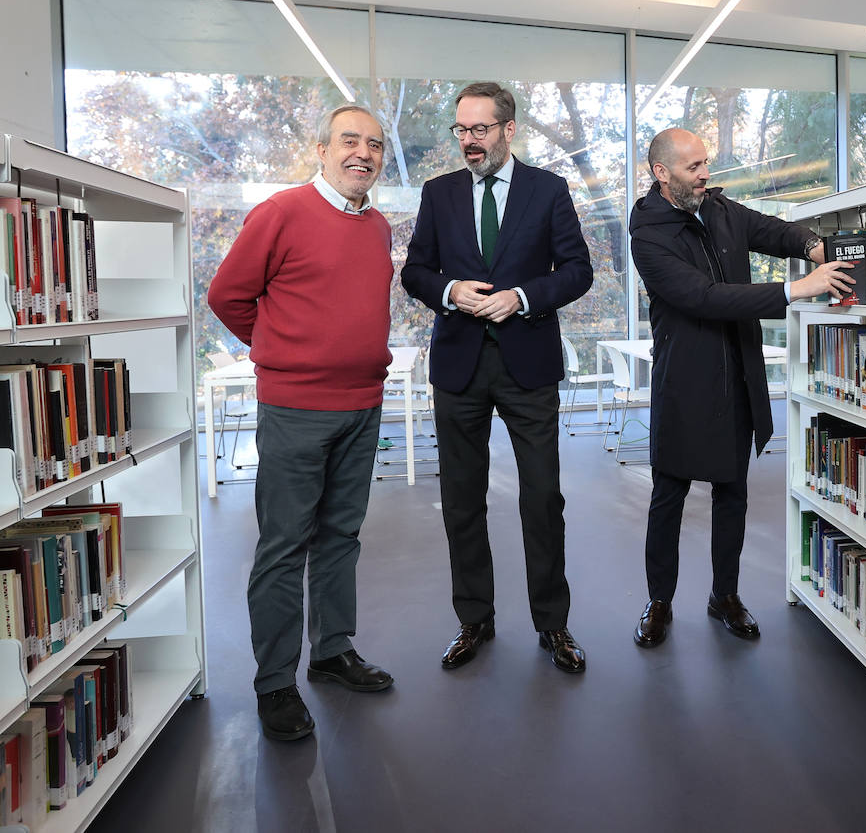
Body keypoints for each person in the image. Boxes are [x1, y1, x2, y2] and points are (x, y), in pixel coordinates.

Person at [208, 105, 396, 742]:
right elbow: (226, 295)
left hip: (362, 404)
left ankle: (332, 650)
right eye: (350, 140)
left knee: (342, 536)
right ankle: (274, 684)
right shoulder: (281, 212)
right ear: (321, 148)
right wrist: (281, 348)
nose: (362, 153)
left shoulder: (378, 228)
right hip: (294, 408)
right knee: (284, 546)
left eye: (374, 145)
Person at [628, 127, 853, 646]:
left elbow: (772, 231)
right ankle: (658, 601)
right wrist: (796, 289)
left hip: (738, 376)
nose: (705, 173)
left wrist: (814, 248)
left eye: (706, 163)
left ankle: (723, 594)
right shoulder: (650, 236)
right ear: (662, 174)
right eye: (692, 167)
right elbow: (705, 297)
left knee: (733, 492)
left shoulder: (722, 211)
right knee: (669, 495)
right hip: (685, 383)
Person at [402, 82, 593, 674]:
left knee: (541, 499)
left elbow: (579, 270)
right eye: (460, 130)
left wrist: (523, 297)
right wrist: (448, 290)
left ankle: (553, 625)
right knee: (462, 501)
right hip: (458, 365)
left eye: (479, 130)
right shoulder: (439, 193)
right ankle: (474, 620)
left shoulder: (549, 190)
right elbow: (414, 271)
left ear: (509, 129)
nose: (468, 142)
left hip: (527, 365)